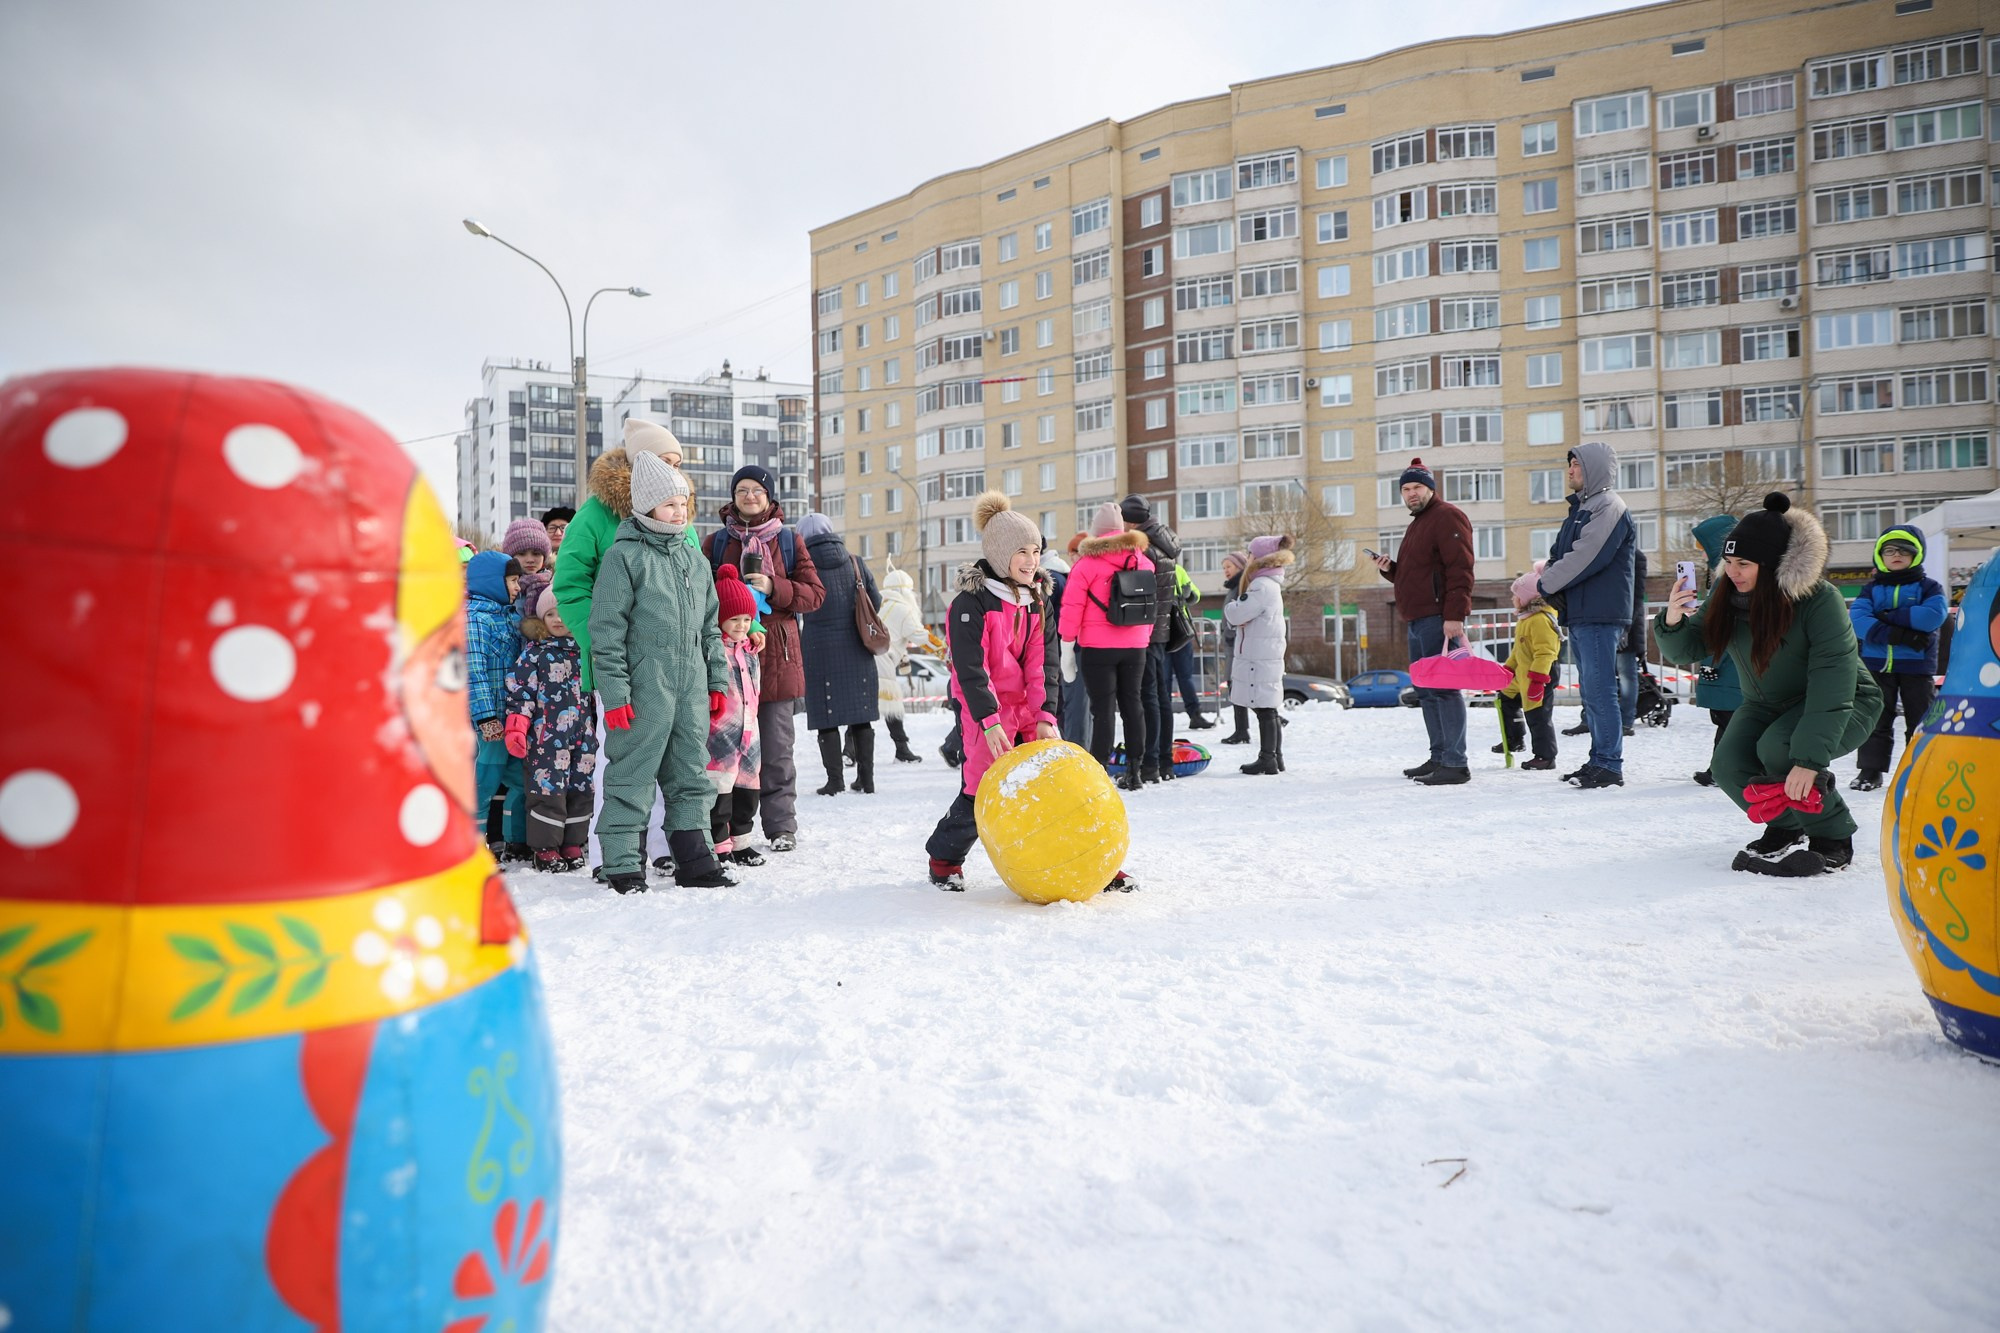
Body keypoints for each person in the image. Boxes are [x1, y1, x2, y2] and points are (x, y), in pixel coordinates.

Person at [1655, 493, 1882, 877]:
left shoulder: (1818, 600)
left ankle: (1832, 838)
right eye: (1728, 563)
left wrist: (1809, 761)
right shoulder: (1727, 595)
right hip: (1767, 703)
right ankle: (1787, 824)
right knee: (1727, 765)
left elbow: (1833, 681)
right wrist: (1674, 618)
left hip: (1846, 700)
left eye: (1744, 563)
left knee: (1780, 748)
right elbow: (1687, 647)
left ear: (1774, 563)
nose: (1734, 572)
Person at [925, 494, 1137, 892]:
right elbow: (971, 671)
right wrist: (988, 723)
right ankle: (944, 858)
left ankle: (1096, 863)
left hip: (1027, 709)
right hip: (983, 711)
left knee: (1053, 786)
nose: (1031, 560)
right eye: (1021, 552)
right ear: (1001, 552)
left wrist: (1045, 715)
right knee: (980, 789)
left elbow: (1044, 662)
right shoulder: (969, 605)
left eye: (1036, 550)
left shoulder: (1037, 600)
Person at [591, 451, 734, 893]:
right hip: (643, 689)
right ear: (646, 507)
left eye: (684, 503)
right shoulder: (624, 558)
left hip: (689, 688)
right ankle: (622, 865)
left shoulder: (694, 560)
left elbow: (710, 626)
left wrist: (715, 680)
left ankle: (695, 860)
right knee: (631, 775)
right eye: (670, 503)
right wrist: (615, 696)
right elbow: (606, 631)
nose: (679, 511)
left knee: (691, 773)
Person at [707, 464, 826, 852]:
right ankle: (724, 830)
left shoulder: (789, 541)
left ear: (769, 497)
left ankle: (780, 826)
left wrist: (774, 587)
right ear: (732, 497)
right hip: (726, 657)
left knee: (776, 749)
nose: (749, 496)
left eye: (756, 490)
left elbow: (814, 594)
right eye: (741, 490)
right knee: (723, 753)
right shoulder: (715, 543)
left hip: (776, 656)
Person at [1514, 442, 1635, 791]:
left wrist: (1544, 584)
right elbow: (1558, 553)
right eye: (1569, 465)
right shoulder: (1582, 508)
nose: (1569, 471)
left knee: (1600, 692)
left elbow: (1585, 555)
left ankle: (1609, 764)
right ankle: (1599, 759)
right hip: (1582, 611)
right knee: (1592, 693)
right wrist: (1551, 579)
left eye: (1575, 465)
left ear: (1593, 469)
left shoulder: (1609, 507)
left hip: (1600, 612)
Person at [1374, 458, 1475, 786]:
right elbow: (1418, 575)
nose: (1411, 493)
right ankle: (1439, 756)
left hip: (1438, 619)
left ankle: (1456, 763)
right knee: (1428, 691)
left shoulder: (1447, 516)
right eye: (1405, 489)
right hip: (1417, 618)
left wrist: (1454, 615)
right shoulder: (1418, 523)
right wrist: (1391, 569)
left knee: (1444, 690)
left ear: (1431, 488)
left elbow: (1460, 569)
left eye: (1417, 487)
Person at [1059, 502, 1156, 792]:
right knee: (1132, 704)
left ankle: (1100, 770)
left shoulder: (1086, 565)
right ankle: (1135, 770)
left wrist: (1067, 645)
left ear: (1096, 532)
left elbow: (1072, 608)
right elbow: (1153, 605)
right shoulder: (1144, 561)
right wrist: (1144, 637)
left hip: (1097, 648)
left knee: (1103, 710)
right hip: (1136, 646)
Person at [504, 589, 597, 872]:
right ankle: (545, 848)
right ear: (542, 619)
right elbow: (520, 692)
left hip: (584, 737)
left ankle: (573, 842)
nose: (558, 619)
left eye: (564, 613)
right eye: (550, 614)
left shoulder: (586, 652)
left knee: (582, 787)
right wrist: (517, 727)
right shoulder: (535, 653)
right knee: (547, 790)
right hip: (546, 738)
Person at [1849, 523, 1947, 790]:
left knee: (1921, 720)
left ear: (1916, 555)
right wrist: (1902, 634)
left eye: (1904, 550)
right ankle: (1870, 772)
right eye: (1889, 550)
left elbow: (1932, 616)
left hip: (1917, 667)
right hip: (1878, 665)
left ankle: (1921, 769)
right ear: (1879, 555)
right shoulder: (1871, 589)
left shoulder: (1929, 587)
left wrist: (1887, 618)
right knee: (1876, 719)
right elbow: (1858, 620)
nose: (1896, 555)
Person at [797, 512, 882, 796]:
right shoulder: (854, 562)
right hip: (857, 644)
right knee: (861, 715)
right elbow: (875, 601)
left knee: (827, 716)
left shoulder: (801, 566)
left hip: (817, 649)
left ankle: (835, 781)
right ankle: (866, 779)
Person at [465, 550, 528, 859]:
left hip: (513, 717)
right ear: (493, 582)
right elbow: (472, 670)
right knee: (485, 783)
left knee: (522, 779)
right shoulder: (475, 620)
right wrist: (485, 716)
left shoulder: (508, 615)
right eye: (512, 580)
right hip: (491, 720)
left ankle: (515, 840)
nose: (518, 587)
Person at [707, 564, 765, 867]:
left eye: (747, 619)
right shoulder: (713, 650)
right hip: (720, 734)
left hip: (749, 732)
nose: (742, 625)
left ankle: (742, 842)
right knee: (720, 792)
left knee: (747, 791)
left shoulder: (750, 651)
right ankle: (720, 844)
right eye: (734, 619)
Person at [1122, 495, 1182, 783]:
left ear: (1130, 519)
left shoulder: (1143, 545)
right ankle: (1164, 761)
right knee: (1160, 698)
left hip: (1146, 629)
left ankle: (1150, 765)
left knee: (1149, 698)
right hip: (1163, 628)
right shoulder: (1164, 539)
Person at [1225, 533, 1294, 776]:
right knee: (1268, 707)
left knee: (1264, 708)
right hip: (1264, 653)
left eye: (1251, 554)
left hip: (1258, 656)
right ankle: (1276, 757)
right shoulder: (1270, 584)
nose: (1248, 557)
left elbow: (1236, 615)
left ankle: (1268, 759)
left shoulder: (1261, 586)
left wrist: (1230, 606)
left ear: (1261, 558)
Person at [1688, 514, 1744, 786]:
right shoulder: (1726, 577)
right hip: (1729, 661)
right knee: (1729, 720)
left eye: (1703, 546)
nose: (1700, 553)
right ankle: (1720, 769)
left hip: (1728, 662)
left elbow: (1721, 626)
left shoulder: (1727, 579)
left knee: (1730, 720)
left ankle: (1722, 771)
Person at [1495, 566, 1561, 771]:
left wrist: (1538, 681)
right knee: (1505, 698)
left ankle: (1546, 756)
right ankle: (1514, 738)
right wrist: (1508, 669)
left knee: (1538, 715)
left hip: (1541, 675)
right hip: (1523, 674)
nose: (1513, 599)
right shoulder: (1525, 619)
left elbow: (1546, 652)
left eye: (1516, 595)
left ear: (1529, 598)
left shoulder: (1540, 620)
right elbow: (1518, 651)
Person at [875, 563, 930, 763]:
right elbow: (920, 635)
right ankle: (902, 749)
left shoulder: (879, 603)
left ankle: (850, 752)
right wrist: (942, 647)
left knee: (866, 709)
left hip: (867, 658)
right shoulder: (903, 608)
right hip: (883, 662)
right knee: (892, 707)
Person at [1041, 547, 1092, 746]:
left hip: (1065, 648)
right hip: (1074, 647)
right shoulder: (1063, 573)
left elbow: (1056, 619)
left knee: (1070, 704)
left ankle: (1077, 750)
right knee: (1074, 704)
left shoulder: (1049, 579)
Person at [1168, 564, 1213, 728]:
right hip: (1179, 630)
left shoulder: (1172, 569)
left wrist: (1190, 595)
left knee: (1166, 679)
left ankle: (1168, 718)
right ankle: (1194, 714)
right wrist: (1188, 596)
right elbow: (1195, 595)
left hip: (1166, 632)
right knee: (1182, 677)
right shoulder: (1176, 569)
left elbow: (1196, 594)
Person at [1217, 551, 1253, 745]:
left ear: (1239, 566)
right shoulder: (1234, 586)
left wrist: (1231, 632)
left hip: (1238, 643)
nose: (1226, 571)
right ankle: (1241, 730)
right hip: (1233, 644)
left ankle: (1242, 731)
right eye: (1224, 568)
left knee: (1237, 687)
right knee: (1236, 687)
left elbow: (1241, 613)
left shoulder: (1241, 585)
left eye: (1229, 567)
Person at [1617, 548, 1650, 735]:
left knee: (1627, 677)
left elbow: (1636, 597)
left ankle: (1626, 721)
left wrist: (1625, 628)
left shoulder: (1635, 557)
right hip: (1613, 623)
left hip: (1627, 628)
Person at [502, 518, 553, 623]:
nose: (530, 560)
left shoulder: (556, 584)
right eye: (521, 554)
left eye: (536, 553)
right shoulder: (502, 587)